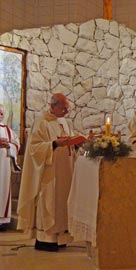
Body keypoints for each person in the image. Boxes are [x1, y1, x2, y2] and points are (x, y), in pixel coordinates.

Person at [17, 93, 75, 252]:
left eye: (67, 107)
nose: (66, 111)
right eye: (63, 108)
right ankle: (46, 240)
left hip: (64, 172)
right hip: (49, 174)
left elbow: (69, 145)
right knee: (49, 202)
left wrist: (77, 143)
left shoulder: (63, 122)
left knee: (62, 203)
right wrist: (55, 144)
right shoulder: (41, 122)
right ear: (52, 106)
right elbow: (34, 148)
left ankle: (60, 238)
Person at [0, 104, 20, 230]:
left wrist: (9, 146)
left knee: (3, 189)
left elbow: (16, 144)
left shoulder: (7, 130)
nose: (1, 114)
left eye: (2, 112)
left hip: (4, 165)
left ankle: (2, 221)